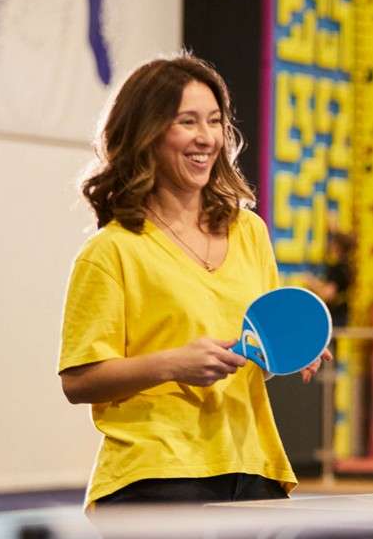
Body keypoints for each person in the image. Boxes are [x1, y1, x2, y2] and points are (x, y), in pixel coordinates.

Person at [59, 54, 328, 509]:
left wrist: (292, 349)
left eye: (216, 121)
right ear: (148, 133)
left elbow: (257, 353)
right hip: (154, 475)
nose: (207, 137)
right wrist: (172, 364)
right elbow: (78, 380)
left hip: (254, 467)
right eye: (187, 121)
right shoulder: (111, 251)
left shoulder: (250, 232)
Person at [304, 230, 356, 327]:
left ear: (338, 247)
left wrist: (311, 284)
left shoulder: (338, 269)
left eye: (333, 243)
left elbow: (328, 294)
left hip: (334, 318)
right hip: (343, 316)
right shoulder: (347, 267)